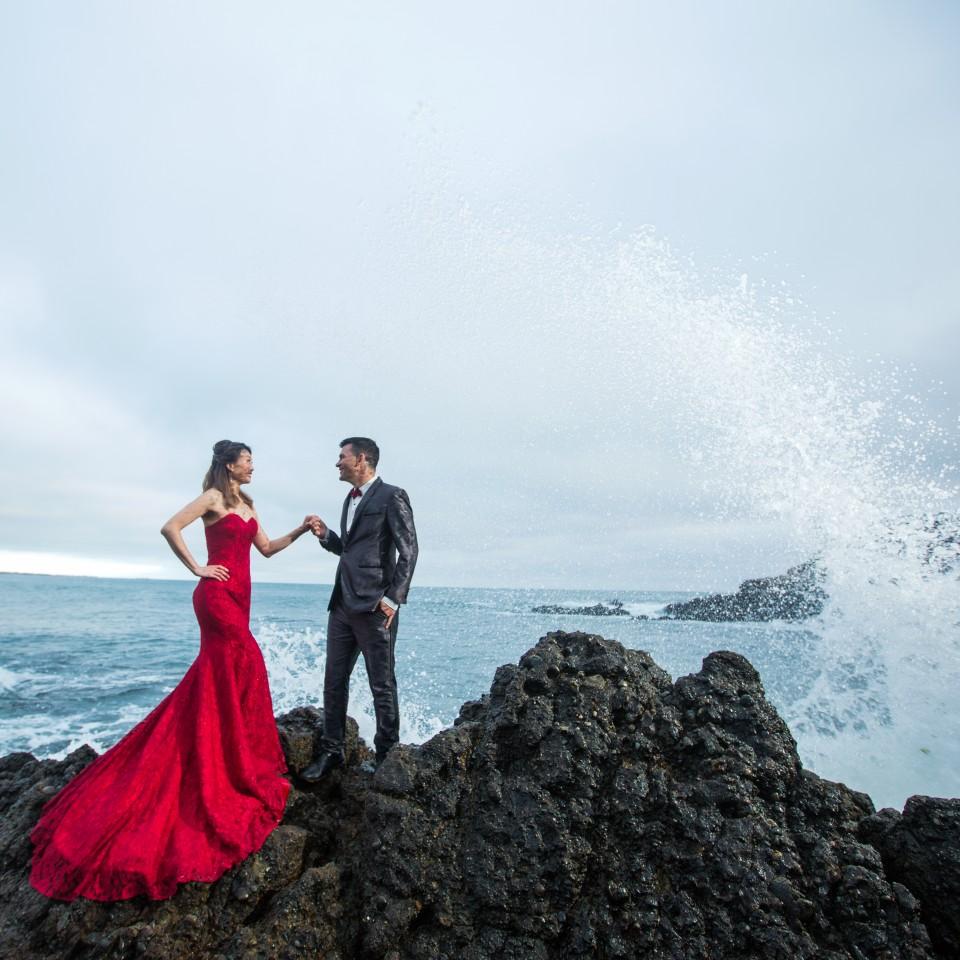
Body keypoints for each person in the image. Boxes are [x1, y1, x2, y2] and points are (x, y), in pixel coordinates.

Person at [30, 440, 318, 901]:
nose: (252, 466)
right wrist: (198, 568)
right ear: (229, 464)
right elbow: (170, 527)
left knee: (226, 677)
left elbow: (266, 549)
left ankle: (223, 747)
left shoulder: (248, 503)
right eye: (247, 460)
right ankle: (224, 759)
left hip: (241, 600)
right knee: (243, 662)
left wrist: (302, 530)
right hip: (217, 600)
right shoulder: (213, 498)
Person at [301, 437, 418, 781]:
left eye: (342, 457)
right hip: (341, 605)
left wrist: (393, 598)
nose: (337, 463)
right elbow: (351, 551)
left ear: (361, 459)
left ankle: (387, 755)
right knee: (333, 682)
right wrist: (326, 536)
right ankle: (332, 751)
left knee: (381, 684)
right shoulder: (347, 500)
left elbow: (409, 551)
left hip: (375, 607)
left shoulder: (392, 495)